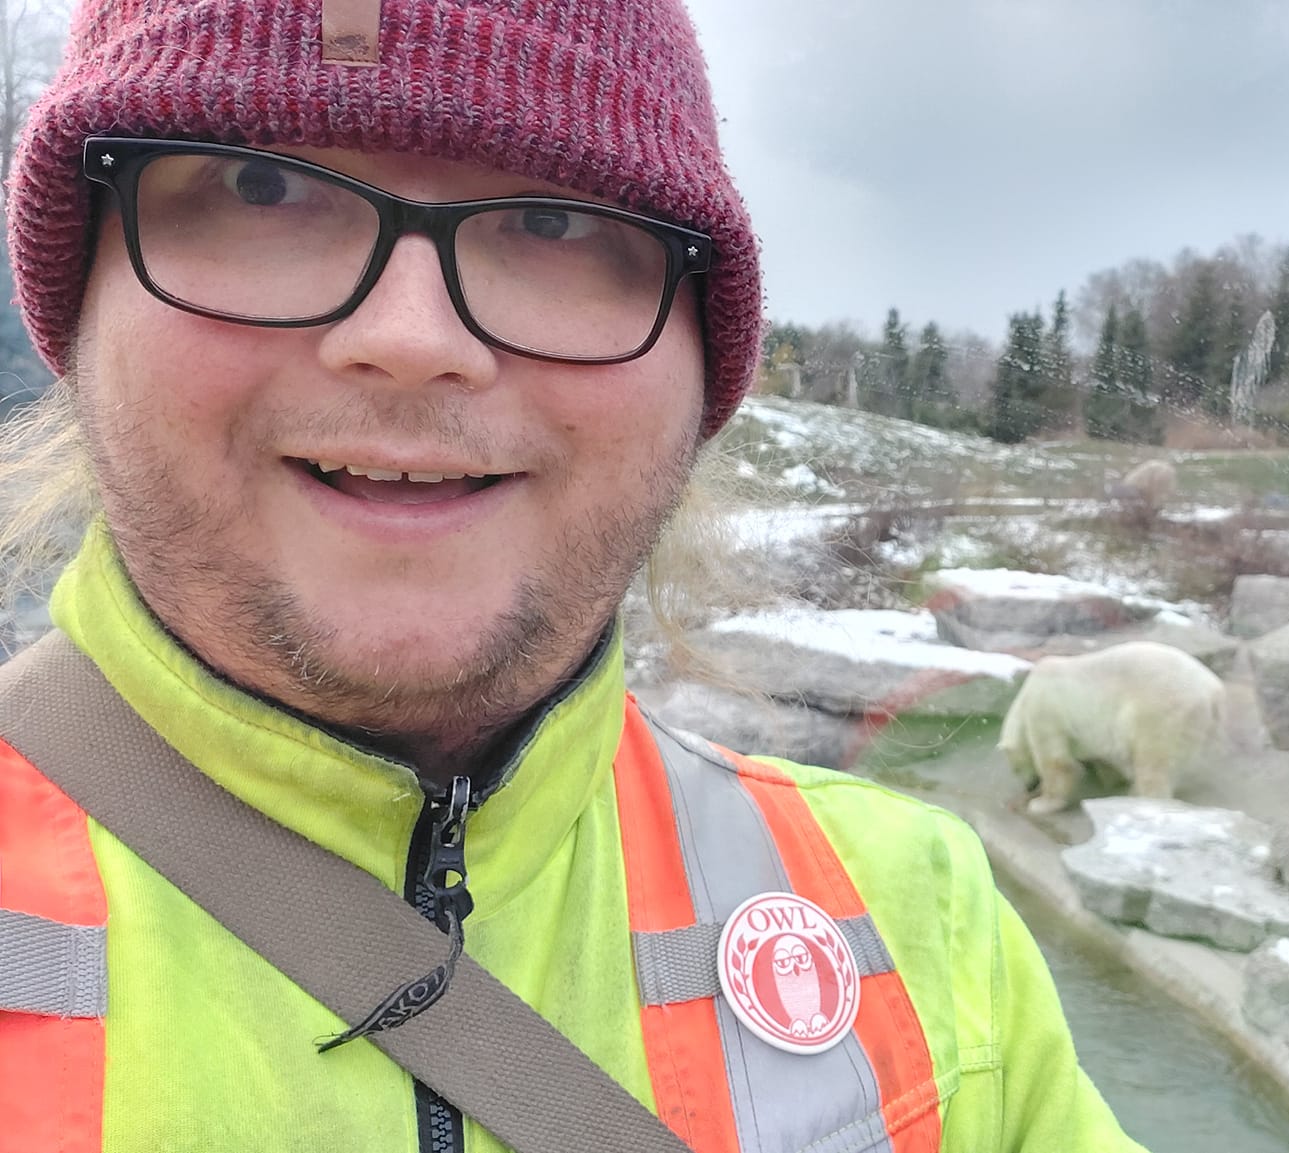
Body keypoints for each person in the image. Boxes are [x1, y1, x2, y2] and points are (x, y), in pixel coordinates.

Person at [0, 1, 1145, 1150]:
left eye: (551, 219)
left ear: (701, 370)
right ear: (79, 300)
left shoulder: (919, 927)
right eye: (261, 190)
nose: (413, 335)